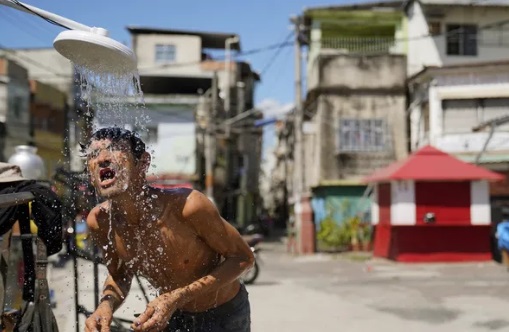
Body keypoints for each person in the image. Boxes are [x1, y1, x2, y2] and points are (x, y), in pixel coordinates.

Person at [83, 127, 255, 332]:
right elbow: (120, 274)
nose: (102, 158)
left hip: (222, 315)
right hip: (170, 314)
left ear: (143, 163)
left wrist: (177, 297)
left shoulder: (187, 206)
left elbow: (243, 258)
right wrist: (106, 305)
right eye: (93, 154)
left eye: (115, 149)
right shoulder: (100, 221)